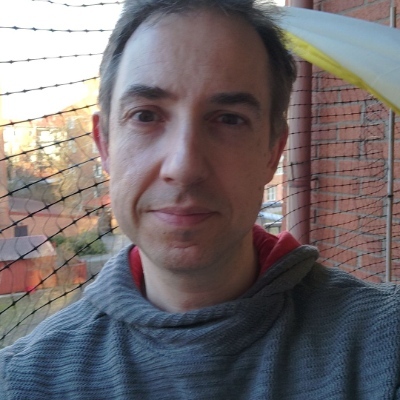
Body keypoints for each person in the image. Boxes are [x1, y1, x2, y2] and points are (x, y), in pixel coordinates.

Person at [1, 1, 400, 399]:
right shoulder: (22, 381)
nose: (184, 166)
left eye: (229, 118)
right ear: (104, 144)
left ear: (273, 152)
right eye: (145, 115)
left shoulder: (386, 342)